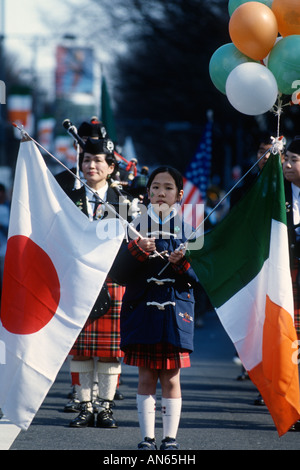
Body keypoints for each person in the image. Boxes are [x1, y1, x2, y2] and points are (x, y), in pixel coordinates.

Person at [111, 166, 200, 450]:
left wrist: (181, 263)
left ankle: (170, 439)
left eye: (168, 188)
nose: (161, 192)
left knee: (172, 377)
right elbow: (119, 274)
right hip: (142, 310)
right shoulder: (132, 224)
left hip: (176, 312)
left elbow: (200, 278)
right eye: (156, 187)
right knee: (146, 374)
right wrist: (137, 250)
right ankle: (147, 439)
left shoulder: (191, 229)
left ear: (180, 195)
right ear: (147, 192)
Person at [66, 136, 132, 429]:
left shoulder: (126, 202)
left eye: (97, 161)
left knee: (109, 351)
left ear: (111, 167)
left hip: (113, 281)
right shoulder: (69, 199)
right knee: (80, 350)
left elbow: (133, 244)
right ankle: (84, 405)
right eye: (86, 160)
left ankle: (104, 407)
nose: (90, 166)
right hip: (78, 281)